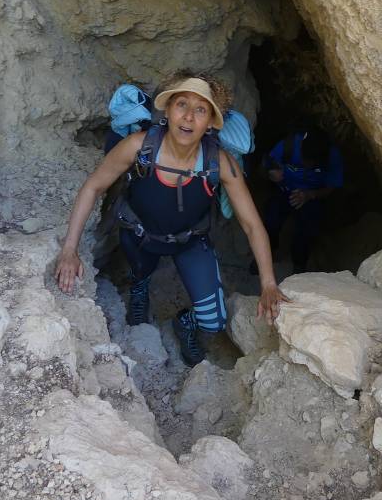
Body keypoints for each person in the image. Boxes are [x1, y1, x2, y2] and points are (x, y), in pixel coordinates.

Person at [55, 73, 289, 366]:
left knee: (214, 321)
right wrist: (69, 249)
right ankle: (139, 287)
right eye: (182, 104)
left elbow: (252, 224)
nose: (189, 117)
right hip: (139, 236)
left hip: (189, 242)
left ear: (211, 124)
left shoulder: (220, 163)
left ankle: (185, 323)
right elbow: (93, 186)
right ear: (167, 110)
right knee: (140, 269)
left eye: (201, 110)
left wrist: (268, 283)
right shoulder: (139, 147)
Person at [261, 128, 343, 274]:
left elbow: (332, 187)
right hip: (285, 189)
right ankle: (266, 256)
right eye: (305, 161)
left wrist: (309, 195)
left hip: (311, 196)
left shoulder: (333, 156)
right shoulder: (289, 145)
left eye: (312, 164)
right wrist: (272, 173)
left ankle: (299, 265)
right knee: (271, 220)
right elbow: (267, 163)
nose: (307, 166)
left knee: (307, 230)